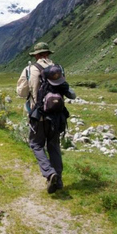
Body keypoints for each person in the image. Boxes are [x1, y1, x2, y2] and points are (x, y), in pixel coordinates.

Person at [16, 42, 76, 194]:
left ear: (36, 55)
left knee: (36, 144)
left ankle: (49, 173)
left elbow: (21, 93)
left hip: (39, 116)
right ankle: (59, 181)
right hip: (57, 116)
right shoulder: (58, 69)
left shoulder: (30, 69)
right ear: (48, 54)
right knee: (54, 146)